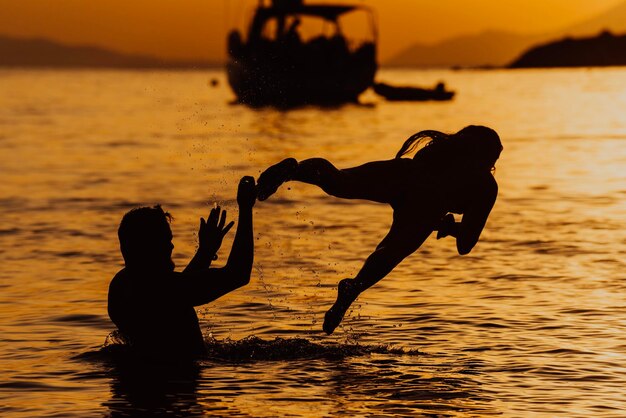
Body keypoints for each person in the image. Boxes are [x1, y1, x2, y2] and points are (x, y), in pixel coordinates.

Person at [256, 125, 502, 335]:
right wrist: (448, 227)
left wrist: (441, 223)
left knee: (340, 181)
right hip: (427, 205)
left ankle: (294, 170)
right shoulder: (484, 186)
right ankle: (353, 288)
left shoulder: (440, 153)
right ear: (485, 155)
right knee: (389, 252)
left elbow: (423, 181)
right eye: (495, 157)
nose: (495, 163)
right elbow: (466, 244)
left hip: (403, 174)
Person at [108, 176, 257, 359]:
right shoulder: (159, 289)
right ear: (147, 247)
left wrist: (206, 252)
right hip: (176, 379)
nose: (171, 247)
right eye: (166, 241)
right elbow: (238, 274)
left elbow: (179, 293)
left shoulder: (121, 285)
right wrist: (246, 207)